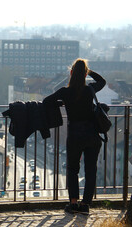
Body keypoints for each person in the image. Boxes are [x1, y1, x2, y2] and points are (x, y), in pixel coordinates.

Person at [43, 58, 106, 215]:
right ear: (85, 75)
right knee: (91, 170)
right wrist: (88, 71)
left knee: (73, 169)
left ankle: (73, 203)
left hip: (75, 135)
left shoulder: (65, 92)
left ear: (71, 73)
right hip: (92, 135)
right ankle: (85, 205)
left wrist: (60, 103)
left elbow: (46, 101)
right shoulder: (90, 90)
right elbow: (102, 81)